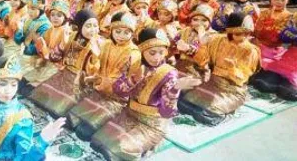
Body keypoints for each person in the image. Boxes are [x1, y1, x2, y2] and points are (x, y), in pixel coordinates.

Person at [91, 28, 200, 160]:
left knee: (118, 149)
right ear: (142, 52)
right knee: (97, 141)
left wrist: (175, 89)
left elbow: (166, 112)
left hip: (152, 124)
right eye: (152, 53)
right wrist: (133, 79)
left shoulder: (169, 73)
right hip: (130, 113)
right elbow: (118, 91)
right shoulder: (135, 64)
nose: (157, 57)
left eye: (161, 52)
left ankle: (151, 144)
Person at [0, 54, 66, 160]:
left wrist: (42, 141)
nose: (8, 90)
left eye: (13, 85)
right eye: (3, 84)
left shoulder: (22, 118)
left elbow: (23, 158)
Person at [67, 12, 141, 140]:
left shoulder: (133, 53)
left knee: (84, 132)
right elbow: (95, 69)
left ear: (132, 33)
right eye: (118, 31)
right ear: (111, 30)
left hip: (116, 99)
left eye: (126, 32)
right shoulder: (106, 44)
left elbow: (120, 83)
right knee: (70, 120)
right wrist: (95, 58)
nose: (121, 36)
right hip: (98, 90)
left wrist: (97, 80)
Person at [179, 12, 261, 126]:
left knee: (205, 114)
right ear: (230, 32)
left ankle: (223, 113)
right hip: (213, 82)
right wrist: (198, 46)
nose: (243, 36)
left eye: (246, 33)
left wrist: (232, 69)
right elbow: (204, 58)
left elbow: (243, 76)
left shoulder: (250, 50)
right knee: (183, 103)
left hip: (232, 89)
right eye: (238, 33)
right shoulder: (219, 40)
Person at [28, 9, 104, 117]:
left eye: (95, 26)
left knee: (57, 110)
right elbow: (53, 58)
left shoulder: (100, 43)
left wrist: (96, 56)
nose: (93, 30)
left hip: (81, 82)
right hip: (64, 74)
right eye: (88, 26)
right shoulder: (72, 36)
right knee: (38, 98)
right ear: (79, 26)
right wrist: (63, 44)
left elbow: (96, 74)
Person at [251, 0, 295, 100]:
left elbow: (286, 40)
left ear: (288, 0)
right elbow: (256, 33)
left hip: (277, 53)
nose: (279, 2)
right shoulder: (264, 13)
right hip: (259, 48)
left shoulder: (291, 17)